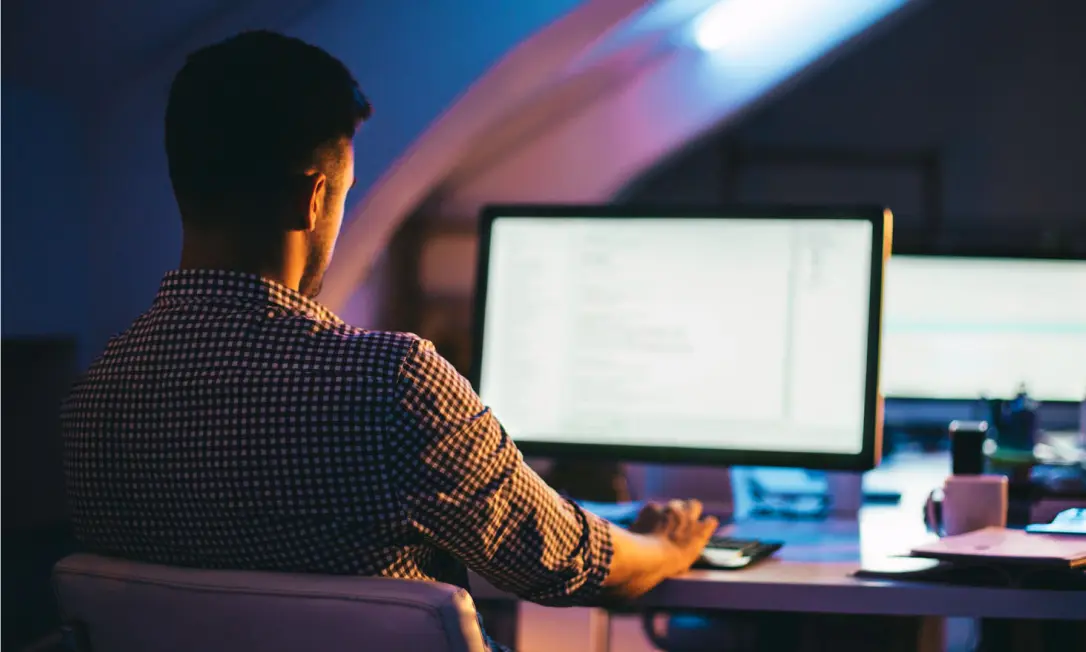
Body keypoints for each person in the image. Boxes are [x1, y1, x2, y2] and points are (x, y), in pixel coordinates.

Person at [60, 30, 717, 651]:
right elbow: (567, 563)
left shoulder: (94, 399)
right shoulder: (389, 383)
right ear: (312, 199)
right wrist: (667, 546)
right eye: (345, 193)